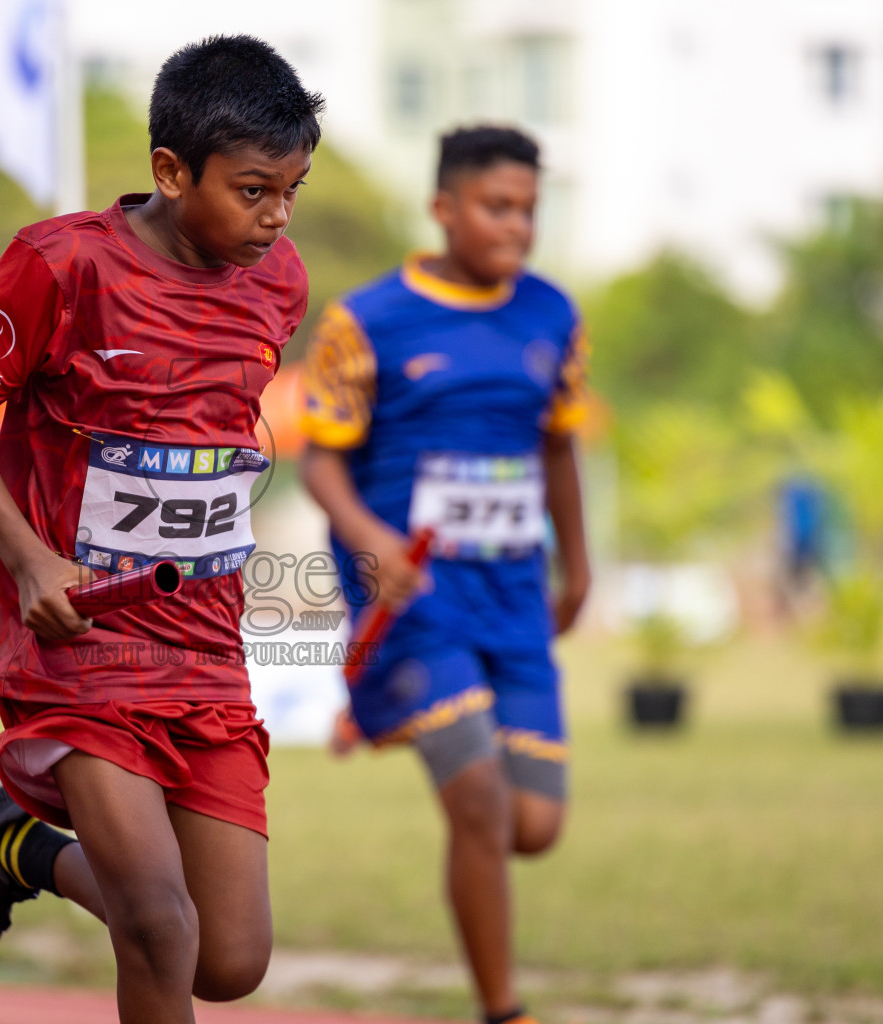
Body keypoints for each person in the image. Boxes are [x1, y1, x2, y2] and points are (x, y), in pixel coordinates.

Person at [0, 36, 323, 1024]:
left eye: (292, 191)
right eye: (255, 189)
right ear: (170, 172)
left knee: (226, 959)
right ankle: (27, 827)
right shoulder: (59, 265)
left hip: (203, 650)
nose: (276, 218)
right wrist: (31, 557)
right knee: (157, 922)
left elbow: (209, 438)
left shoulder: (278, 282)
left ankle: (14, 840)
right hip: (78, 639)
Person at [298, 125, 592, 1024]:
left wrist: (578, 566)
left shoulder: (552, 315)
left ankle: (409, 732)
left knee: (531, 826)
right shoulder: (368, 320)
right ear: (443, 209)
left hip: (514, 596)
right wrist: (365, 537)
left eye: (529, 211)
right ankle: (503, 1010)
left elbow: (558, 450)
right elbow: (319, 461)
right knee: (479, 802)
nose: (517, 227)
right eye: (498, 207)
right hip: (413, 596)